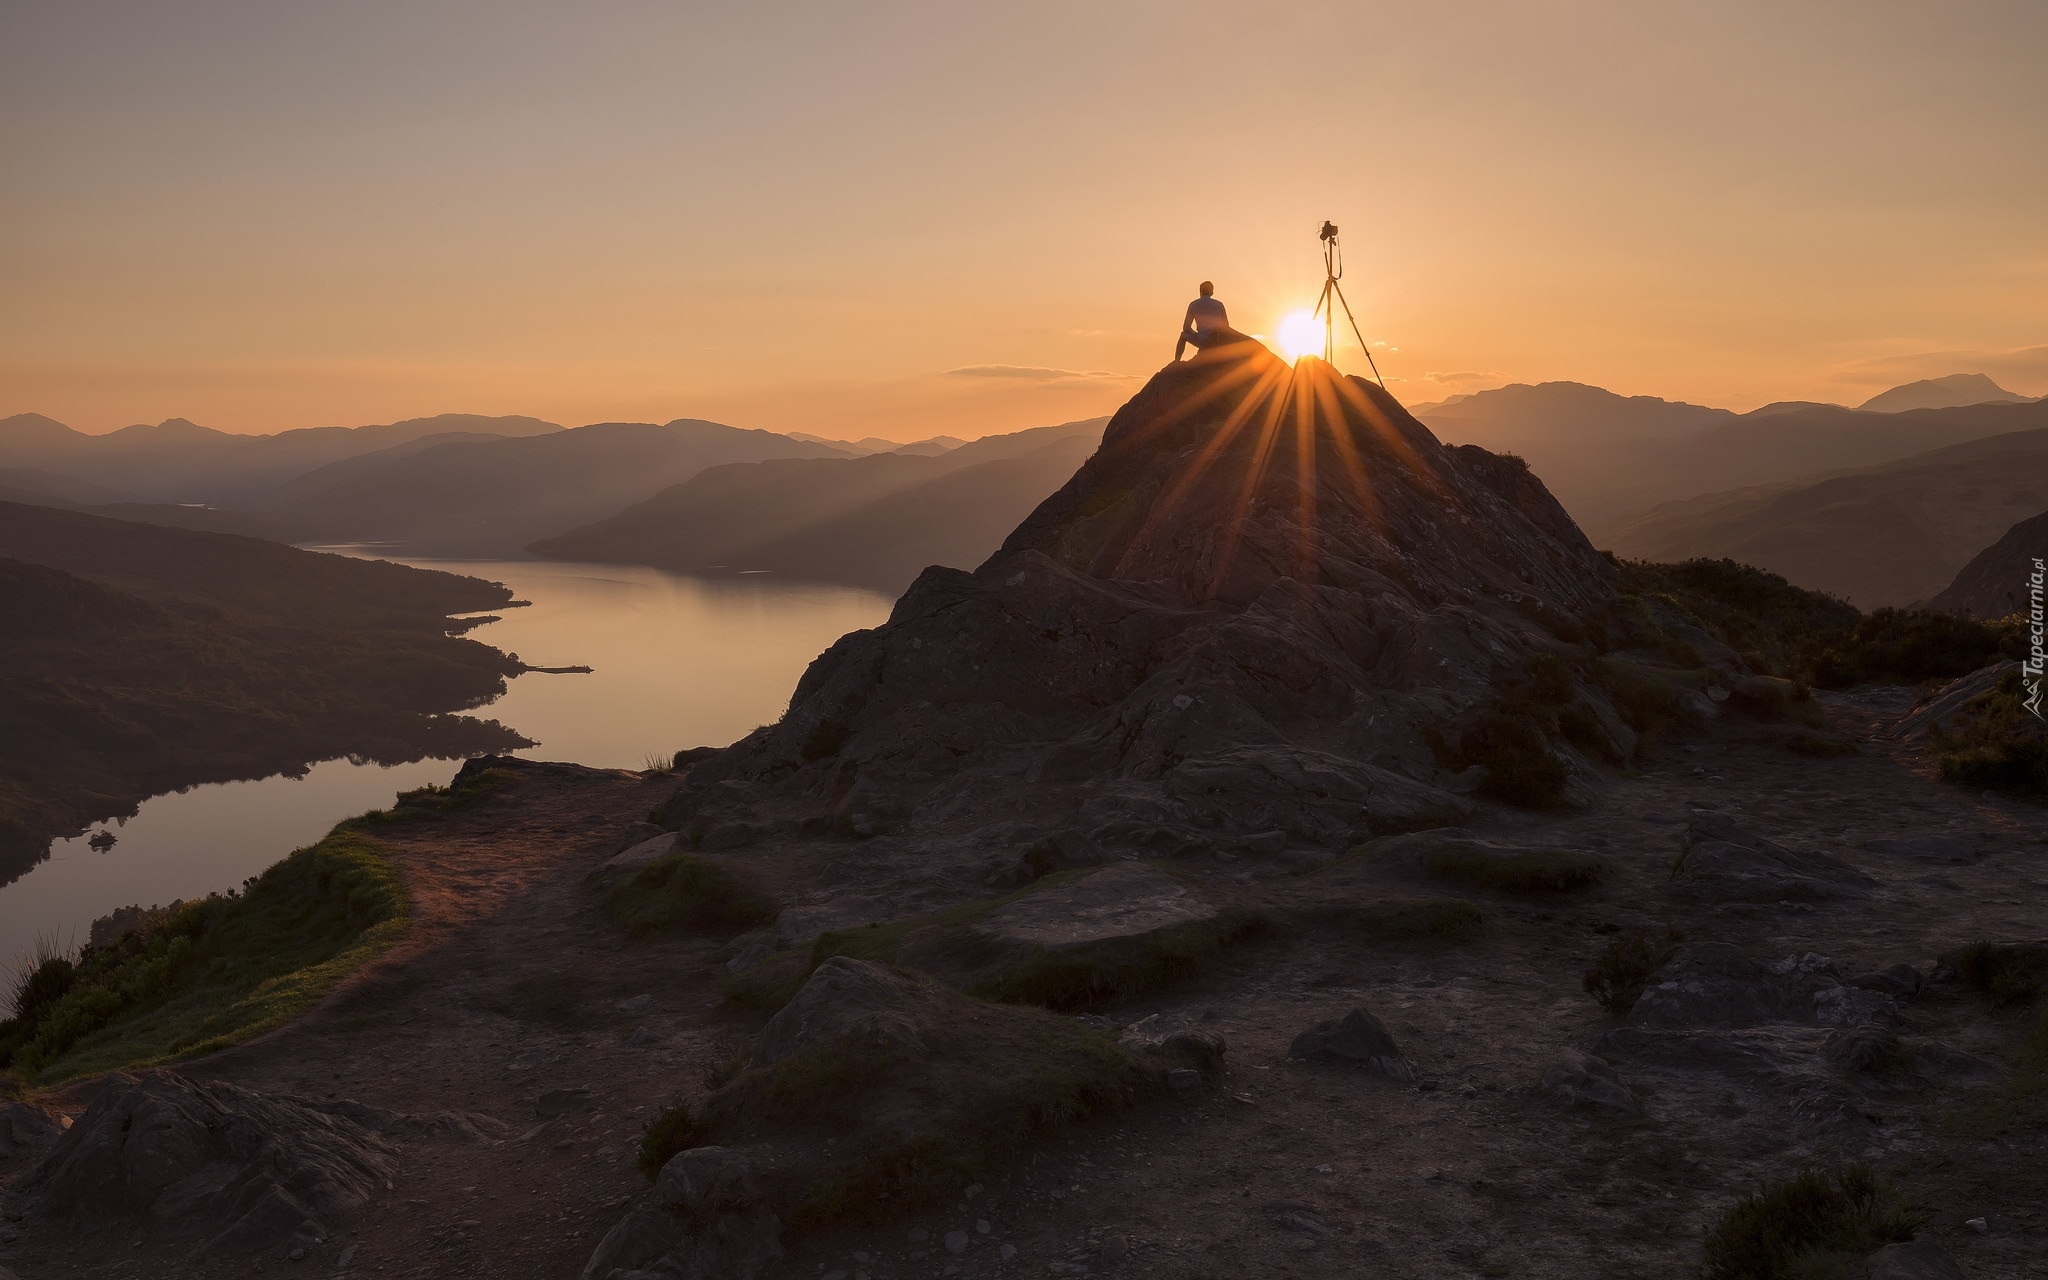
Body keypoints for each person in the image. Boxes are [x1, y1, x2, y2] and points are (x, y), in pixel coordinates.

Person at [1174, 282, 1228, 361]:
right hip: (1217, 342)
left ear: (1200, 291)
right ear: (1212, 292)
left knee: (1183, 335)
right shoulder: (1219, 304)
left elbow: (1186, 328)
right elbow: (1226, 326)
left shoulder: (1193, 304)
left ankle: (1176, 361)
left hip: (1203, 341)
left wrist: (1195, 333)